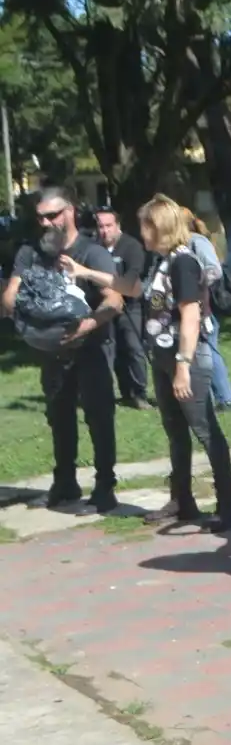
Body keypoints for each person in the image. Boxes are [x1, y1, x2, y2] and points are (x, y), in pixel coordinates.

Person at [68, 195, 231, 531]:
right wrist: (85, 272)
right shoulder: (158, 261)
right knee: (175, 431)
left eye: (145, 225)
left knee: (205, 430)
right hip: (163, 359)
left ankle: (228, 506)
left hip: (187, 359)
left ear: (160, 227)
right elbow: (130, 288)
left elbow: (190, 317)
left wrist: (183, 366)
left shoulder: (183, 263)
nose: (140, 232)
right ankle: (183, 501)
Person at [1, 186, 124, 515]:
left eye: (52, 215)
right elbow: (11, 295)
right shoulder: (31, 252)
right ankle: (65, 482)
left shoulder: (91, 253)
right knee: (59, 416)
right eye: (40, 217)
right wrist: (21, 307)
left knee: (99, 417)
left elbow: (115, 300)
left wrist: (87, 324)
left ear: (70, 211)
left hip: (92, 348)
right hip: (53, 352)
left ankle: (105, 487)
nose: (45, 222)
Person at [94, 206, 151, 409]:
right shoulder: (94, 248)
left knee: (133, 347)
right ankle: (124, 392)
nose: (104, 231)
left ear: (117, 225)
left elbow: (134, 275)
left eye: (108, 226)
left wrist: (118, 290)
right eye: (100, 226)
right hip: (104, 305)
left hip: (130, 305)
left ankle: (139, 393)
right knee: (111, 349)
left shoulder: (131, 246)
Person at [183, 212, 231, 412]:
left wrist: (195, 283)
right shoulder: (182, 243)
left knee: (210, 350)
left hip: (205, 305)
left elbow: (215, 270)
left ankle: (224, 398)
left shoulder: (197, 241)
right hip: (192, 304)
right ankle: (209, 396)